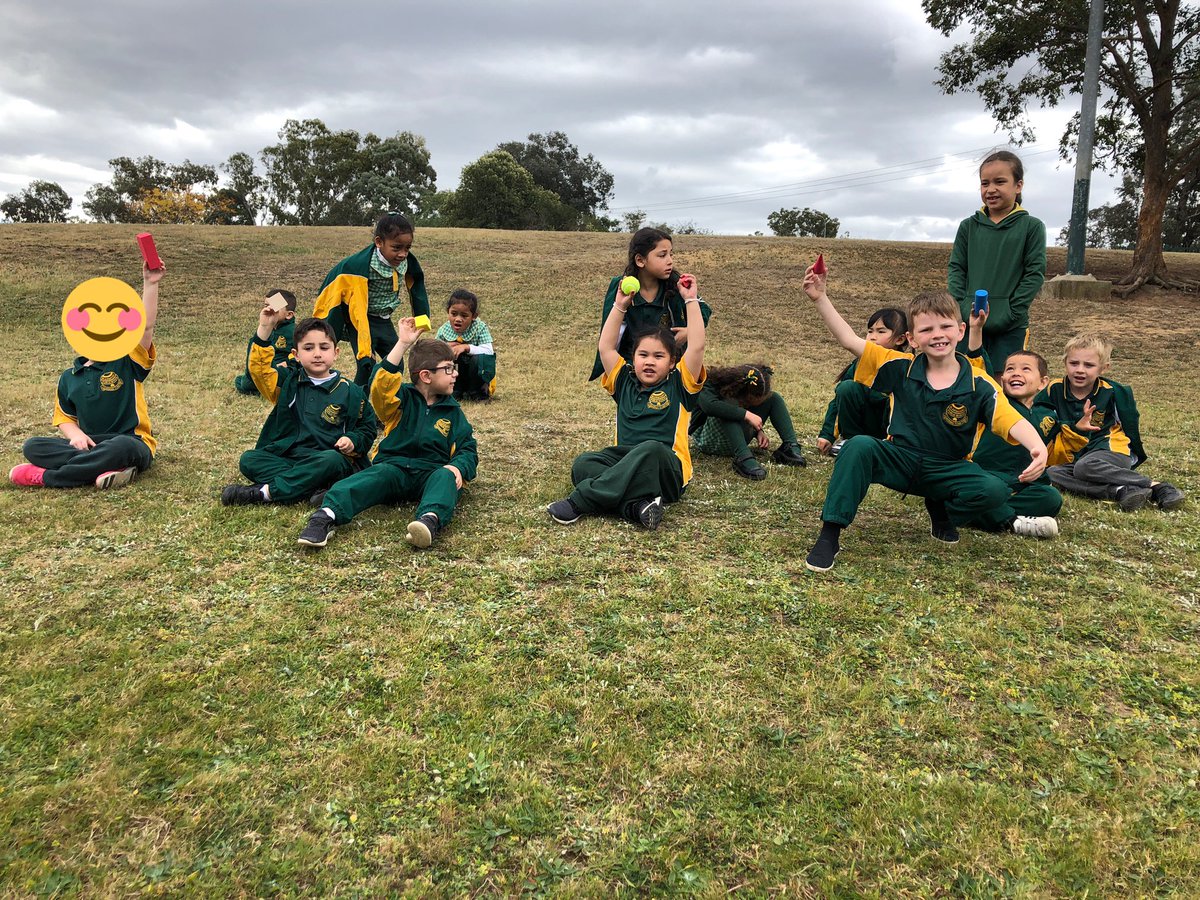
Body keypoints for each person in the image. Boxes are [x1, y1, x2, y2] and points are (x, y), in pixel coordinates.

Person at [800, 267, 1048, 573]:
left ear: (960, 330)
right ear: (912, 339)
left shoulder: (979, 382)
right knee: (858, 446)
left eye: (945, 326)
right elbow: (849, 340)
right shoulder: (898, 366)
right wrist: (820, 298)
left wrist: (1038, 446)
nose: (937, 334)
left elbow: (1010, 419)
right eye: (927, 329)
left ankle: (941, 508)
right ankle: (830, 534)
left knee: (993, 489)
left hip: (948, 467)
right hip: (900, 458)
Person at [297, 319, 477, 550]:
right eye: (449, 369)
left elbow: (467, 449)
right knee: (369, 477)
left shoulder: (453, 412)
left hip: (431, 472)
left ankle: (428, 521)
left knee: (445, 478)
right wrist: (402, 344)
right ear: (426, 375)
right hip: (393, 469)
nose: (455, 374)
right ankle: (324, 517)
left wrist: (457, 467)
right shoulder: (399, 401)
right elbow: (381, 386)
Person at [549, 273, 707, 529]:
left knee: (651, 448)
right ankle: (636, 508)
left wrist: (690, 300)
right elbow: (606, 348)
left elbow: (697, 347)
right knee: (583, 464)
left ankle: (579, 502)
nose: (649, 361)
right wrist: (619, 305)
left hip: (667, 469)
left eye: (658, 356)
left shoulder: (680, 383)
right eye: (643, 355)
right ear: (634, 358)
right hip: (624, 461)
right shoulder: (624, 381)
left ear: (672, 363)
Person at [11, 262, 165, 489]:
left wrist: (150, 283)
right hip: (90, 444)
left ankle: (48, 477)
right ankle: (107, 467)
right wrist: (76, 436)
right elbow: (65, 418)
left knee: (121, 448)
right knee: (33, 446)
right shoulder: (68, 377)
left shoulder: (128, 361)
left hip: (132, 442)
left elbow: (146, 327)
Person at [220, 311, 377, 507]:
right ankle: (314, 489)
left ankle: (264, 493)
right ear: (296, 354)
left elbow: (367, 428)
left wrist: (352, 440)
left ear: (336, 353)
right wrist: (265, 328)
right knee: (249, 460)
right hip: (291, 459)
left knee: (331, 460)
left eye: (324, 347)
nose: (317, 354)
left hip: (328, 460)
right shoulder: (288, 382)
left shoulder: (351, 391)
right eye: (308, 348)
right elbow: (260, 372)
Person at [1037, 333, 1185, 511]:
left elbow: (1129, 424)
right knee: (1052, 473)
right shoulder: (1053, 389)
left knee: (1085, 467)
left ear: (1103, 368)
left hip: (1111, 450)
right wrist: (1075, 429)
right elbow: (1040, 420)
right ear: (1065, 363)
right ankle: (1122, 491)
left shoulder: (1112, 392)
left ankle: (1157, 486)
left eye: (1089, 365)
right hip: (1078, 455)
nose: (1080, 370)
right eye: (1074, 363)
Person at [964, 311, 1063, 538]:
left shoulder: (1048, 415)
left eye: (1025, 369)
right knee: (962, 496)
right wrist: (976, 329)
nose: (1016, 373)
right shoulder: (994, 402)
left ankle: (991, 513)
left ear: (1043, 382)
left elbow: (1056, 452)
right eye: (1010, 369)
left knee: (1051, 498)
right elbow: (977, 367)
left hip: (1022, 484)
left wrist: (1080, 431)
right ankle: (1014, 522)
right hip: (986, 477)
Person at [948, 150, 1046, 376]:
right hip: (969, 322)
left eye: (999, 182)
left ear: (1018, 185)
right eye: (985, 183)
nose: (990, 189)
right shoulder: (968, 226)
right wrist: (962, 307)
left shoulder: (1031, 227)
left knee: (1005, 381)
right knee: (964, 377)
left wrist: (1011, 312)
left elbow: (1034, 274)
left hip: (1010, 327)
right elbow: (956, 269)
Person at [312, 212, 431, 387]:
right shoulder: (358, 265)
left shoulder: (407, 262)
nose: (402, 254)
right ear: (379, 242)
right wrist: (326, 323)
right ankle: (358, 398)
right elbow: (334, 286)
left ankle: (383, 396)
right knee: (366, 364)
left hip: (383, 320)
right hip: (361, 321)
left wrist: (422, 317)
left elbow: (417, 285)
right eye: (396, 248)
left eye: (407, 248)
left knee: (396, 363)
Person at [588, 227, 711, 381]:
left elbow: (703, 310)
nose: (670, 261)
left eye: (671, 254)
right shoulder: (620, 287)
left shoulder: (676, 285)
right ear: (640, 260)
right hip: (632, 368)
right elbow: (608, 335)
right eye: (662, 255)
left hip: (669, 368)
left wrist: (688, 332)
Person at [816, 307, 909, 456]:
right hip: (865, 425)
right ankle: (850, 440)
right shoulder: (860, 363)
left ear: (900, 339)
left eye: (881, 331)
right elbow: (838, 401)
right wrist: (827, 435)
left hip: (890, 431)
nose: (872, 337)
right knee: (846, 388)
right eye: (870, 331)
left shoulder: (905, 365)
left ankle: (889, 447)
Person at [690, 363, 805, 479]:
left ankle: (790, 447)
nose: (751, 406)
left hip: (735, 438)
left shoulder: (746, 396)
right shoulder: (711, 383)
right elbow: (709, 406)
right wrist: (746, 415)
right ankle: (743, 457)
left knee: (774, 398)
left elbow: (746, 409)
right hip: (708, 440)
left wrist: (758, 431)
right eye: (750, 402)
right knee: (728, 404)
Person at [435, 288, 496, 401]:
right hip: (455, 376)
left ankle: (477, 392)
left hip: (477, 375)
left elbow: (489, 351)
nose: (458, 319)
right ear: (448, 311)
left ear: (474, 316)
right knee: (447, 359)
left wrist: (466, 347)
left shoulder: (480, 328)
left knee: (479, 359)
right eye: (454, 314)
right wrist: (445, 348)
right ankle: (455, 390)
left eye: (464, 315)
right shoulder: (444, 330)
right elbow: (433, 353)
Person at [234, 289, 296, 395]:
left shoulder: (294, 331)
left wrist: (287, 363)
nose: (269, 309)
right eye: (266, 305)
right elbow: (253, 350)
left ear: (289, 314)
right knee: (242, 382)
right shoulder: (265, 330)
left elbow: (301, 354)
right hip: (263, 368)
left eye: (275, 307)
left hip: (279, 370)